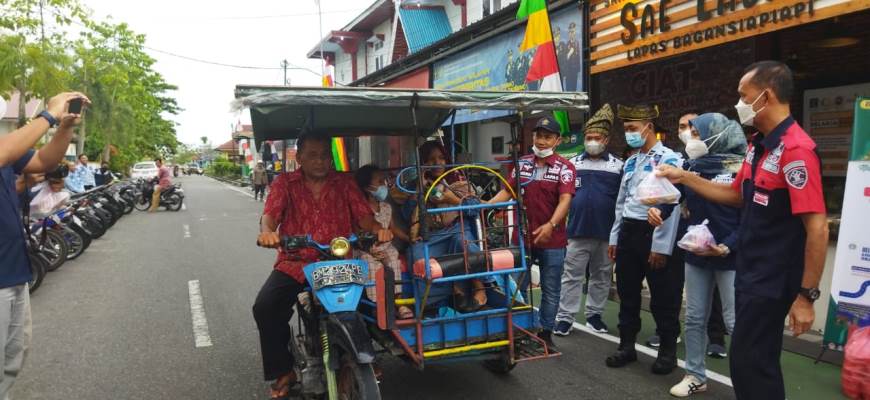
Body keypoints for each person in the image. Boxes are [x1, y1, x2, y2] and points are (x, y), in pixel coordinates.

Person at [657, 61, 829, 399]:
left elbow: (818, 228)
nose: (740, 104)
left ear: (765, 96)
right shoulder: (758, 146)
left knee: (755, 362)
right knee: (745, 362)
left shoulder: (795, 150)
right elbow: (736, 195)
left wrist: (806, 296)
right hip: (749, 270)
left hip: (773, 277)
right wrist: (686, 177)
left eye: (743, 96)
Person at [253, 135, 392, 399]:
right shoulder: (285, 183)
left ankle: (364, 353)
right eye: (313, 155)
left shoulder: (345, 182)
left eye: (324, 155)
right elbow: (270, 216)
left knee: (367, 303)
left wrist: (378, 230)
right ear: (300, 158)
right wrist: (268, 232)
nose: (320, 161)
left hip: (338, 261)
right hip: (296, 261)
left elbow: (364, 218)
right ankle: (284, 370)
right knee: (266, 307)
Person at [648, 113, 744, 397]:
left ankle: (747, 382)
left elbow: (751, 217)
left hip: (730, 256)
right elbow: (672, 197)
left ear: (717, 135)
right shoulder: (690, 167)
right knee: (694, 317)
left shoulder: (740, 168)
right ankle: (695, 375)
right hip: (696, 253)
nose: (692, 139)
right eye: (692, 133)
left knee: (735, 320)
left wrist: (727, 245)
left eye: (698, 134)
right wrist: (658, 212)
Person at [0, 91, 88, 398]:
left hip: (14, 272)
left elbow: (45, 160)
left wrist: (64, 127)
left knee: (13, 359)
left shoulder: (7, 152)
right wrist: (48, 115)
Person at [606, 104, 684, 375]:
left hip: (653, 233)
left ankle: (667, 353)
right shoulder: (631, 161)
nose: (629, 134)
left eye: (632, 129)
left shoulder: (670, 160)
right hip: (629, 232)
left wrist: (661, 246)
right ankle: (626, 346)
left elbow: (671, 204)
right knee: (627, 293)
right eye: (626, 129)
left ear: (649, 128)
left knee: (663, 297)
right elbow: (621, 203)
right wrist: (615, 237)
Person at [489, 115, 576, 348]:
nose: (542, 141)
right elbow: (507, 192)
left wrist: (551, 225)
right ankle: (523, 328)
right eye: (539, 136)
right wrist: (485, 206)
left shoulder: (565, 168)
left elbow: (565, 200)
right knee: (518, 284)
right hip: (522, 238)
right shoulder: (522, 164)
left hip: (553, 239)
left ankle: (546, 333)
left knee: (551, 287)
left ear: (557, 140)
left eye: (548, 137)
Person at [555, 104, 622, 336]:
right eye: (589, 137)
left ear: (606, 139)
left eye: (597, 137)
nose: (593, 141)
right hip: (577, 231)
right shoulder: (571, 164)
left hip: (606, 234)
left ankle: (595, 315)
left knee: (601, 276)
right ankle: (565, 318)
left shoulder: (618, 166)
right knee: (571, 276)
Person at [402, 141, 490, 313]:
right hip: (432, 236)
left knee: (463, 242)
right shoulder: (415, 183)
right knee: (417, 254)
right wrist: (419, 189)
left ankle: (479, 289)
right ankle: (434, 301)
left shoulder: (457, 179)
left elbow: (474, 208)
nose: (437, 164)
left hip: (457, 229)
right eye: (430, 159)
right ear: (422, 162)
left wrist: (450, 199)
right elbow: (407, 216)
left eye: (441, 158)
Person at [354, 164, 413, 319]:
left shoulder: (386, 207)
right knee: (373, 265)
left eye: (384, 181)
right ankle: (378, 306)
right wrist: (369, 249)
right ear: (367, 187)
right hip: (366, 249)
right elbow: (357, 233)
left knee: (394, 261)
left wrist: (410, 238)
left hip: (386, 248)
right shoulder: (361, 209)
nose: (384, 185)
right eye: (380, 182)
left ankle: (398, 303)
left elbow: (393, 228)